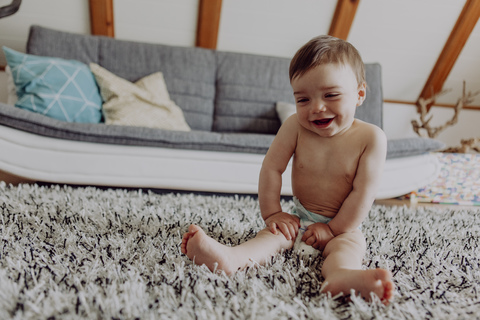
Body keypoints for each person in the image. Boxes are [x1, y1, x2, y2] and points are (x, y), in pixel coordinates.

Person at [181, 35, 395, 304]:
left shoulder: (372, 138)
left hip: (344, 226)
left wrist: (332, 230)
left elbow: (363, 193)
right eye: (303, 99)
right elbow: (272, 168)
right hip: (299, 217)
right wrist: (273, 214)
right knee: (270, 238)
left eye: (331, 95)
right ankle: (231, 258)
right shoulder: (294, 126)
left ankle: (340, 276)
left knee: (347, 250)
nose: (316, 108)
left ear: (360, 94)